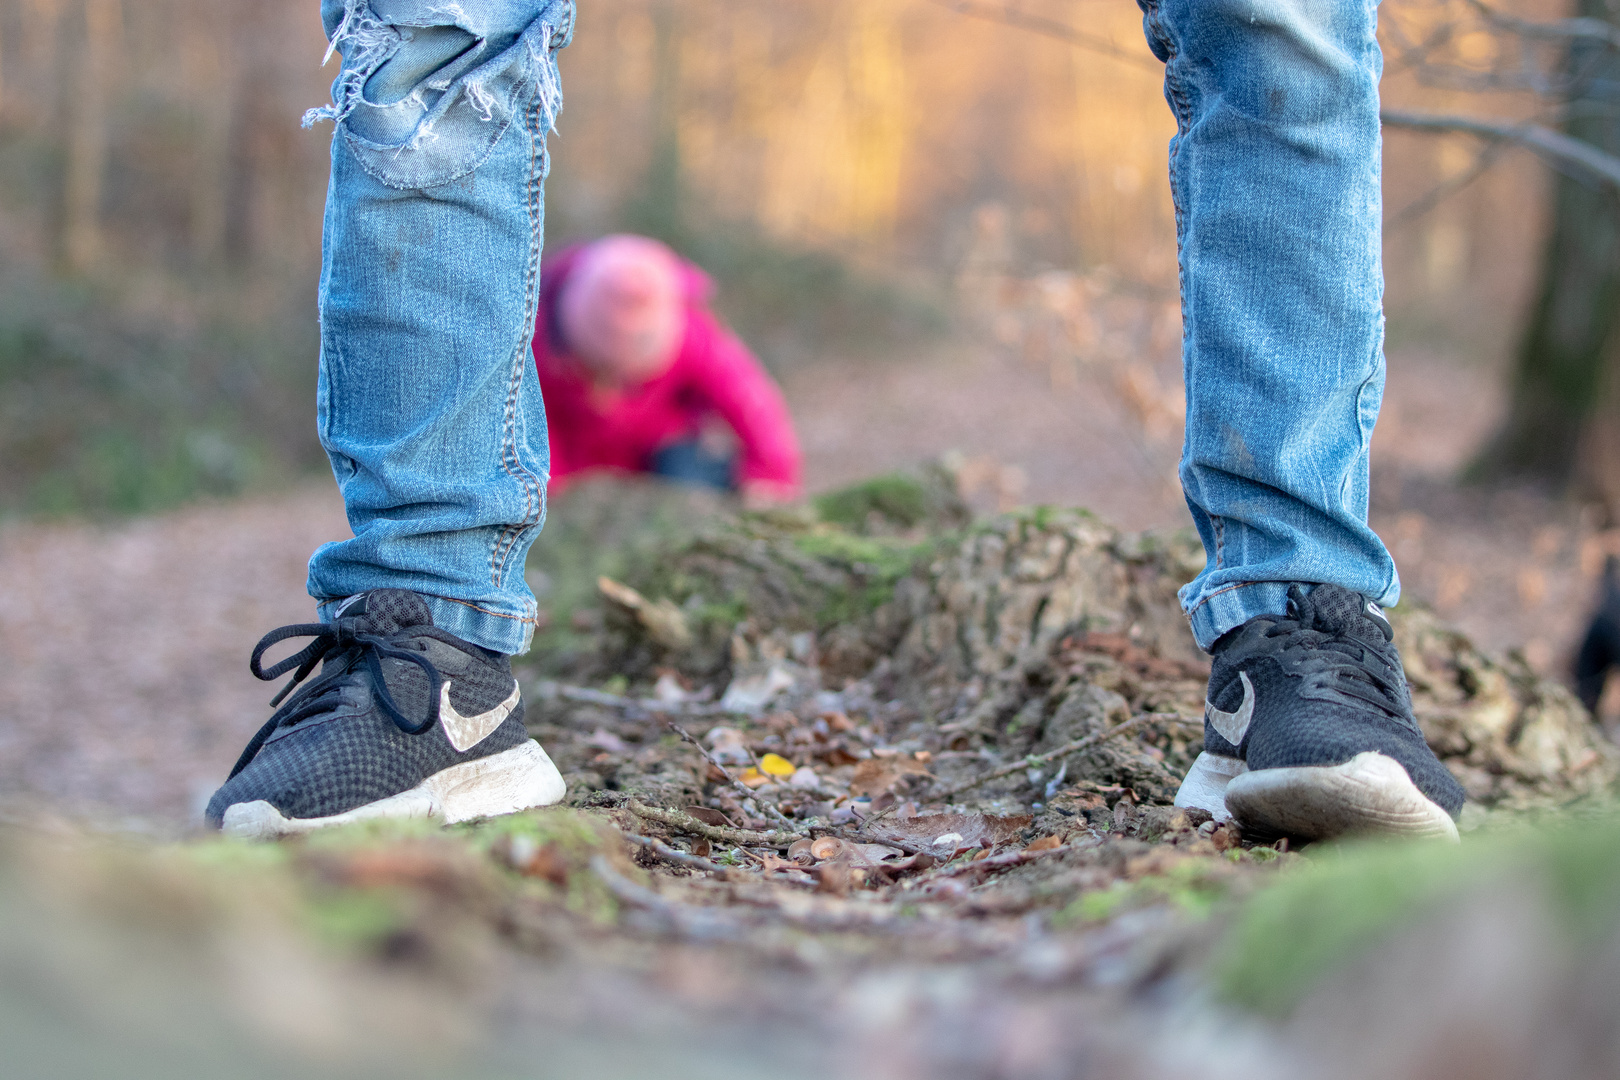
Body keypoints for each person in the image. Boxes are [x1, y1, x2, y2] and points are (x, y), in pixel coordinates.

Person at [206, 0, 1466, 843]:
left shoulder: (690, 340)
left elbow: (745, 397)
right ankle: (432, 660)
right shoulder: (564, 323)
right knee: (433, 25)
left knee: (1279, 24)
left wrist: (771, 476)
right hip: (550, 472)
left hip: (675, 462)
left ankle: (1296, 631)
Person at [534, 234, 802, 501]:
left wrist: (769, 477)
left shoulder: (690, 336)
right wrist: (551, 495)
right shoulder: (537, 342)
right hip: (571, 470)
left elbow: (750, 401)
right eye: (600, 370)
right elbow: (532, 431)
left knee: (693, 470)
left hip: (658, 460)